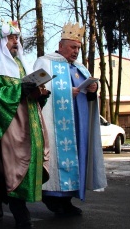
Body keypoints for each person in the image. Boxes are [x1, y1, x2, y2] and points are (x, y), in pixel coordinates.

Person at [0, 22, 49, 229]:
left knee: (24, 164)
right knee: (15, 165)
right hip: (9, 124)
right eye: (11, 38)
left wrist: (40, 95)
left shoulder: (23, 65)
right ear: (0, 42)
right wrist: (19, 91)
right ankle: (21, 215)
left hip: (30, 121)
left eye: (17, 38)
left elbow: (30, 93)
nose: (15, 42)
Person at [33, 22, 107, 216]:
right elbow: (37, 88)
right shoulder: (45, 62)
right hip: (56, 125)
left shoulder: (80, 67)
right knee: (58, 160)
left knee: (77, 159)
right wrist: (66, 92)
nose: (76, 51)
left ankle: (67, 199)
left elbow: (88, 96)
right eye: (73, 47)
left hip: (78, 125)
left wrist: (93, 90)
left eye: (78, 48)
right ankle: (54, 197)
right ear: (61, 45)